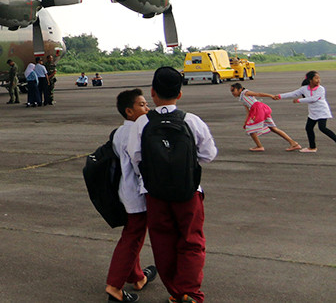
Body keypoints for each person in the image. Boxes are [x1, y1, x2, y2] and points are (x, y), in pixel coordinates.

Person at [125, 66, 216, 303]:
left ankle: (176, 292)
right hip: (189, 191)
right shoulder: (192, 121)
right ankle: (190, 292)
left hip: (155, 193)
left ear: (153, 92)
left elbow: (135, 156)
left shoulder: (142, 123)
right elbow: (208, 154)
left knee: (163, 242)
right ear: (180, 94)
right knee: (192, 240)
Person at [105, 89, 158, 303]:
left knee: (133, 234)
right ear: (129, 111)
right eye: (142, 105)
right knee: (132, 238)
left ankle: (137, 277)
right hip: (137, 193)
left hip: (124, 191)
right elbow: (140, 167)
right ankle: (114, 286)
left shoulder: (119, 132)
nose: (147, 108)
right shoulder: (139, 132)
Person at [275, 70, 336, 152]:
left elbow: (313, 99)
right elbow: (293, 93)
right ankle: (312, 147)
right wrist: (279, 96)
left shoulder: (321, 89)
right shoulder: (304, 89)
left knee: (322, 128)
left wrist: (299, 101)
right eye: (316, 78)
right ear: (310, 80)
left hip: (322, 111)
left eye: (319, 78)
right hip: (313, 112)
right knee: (309, 128)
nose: (318, 80)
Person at [229, 83, 300, 151]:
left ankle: (259, 146)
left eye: (233, 90)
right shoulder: (242, 98)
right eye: (231, 91)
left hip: (258, 109)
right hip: (260, 110)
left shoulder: (245, 92)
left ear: (240, 89)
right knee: (273, 128)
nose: (232, 93)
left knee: (250, 129)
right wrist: (246, 121)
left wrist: (271, 96)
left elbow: (258, 94)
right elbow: (248, 111)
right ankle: (293, 143)